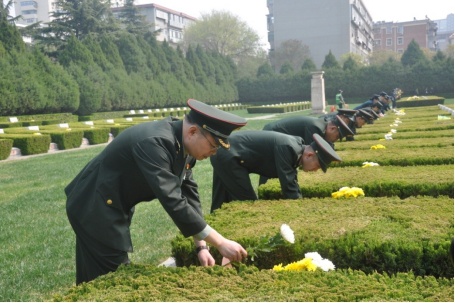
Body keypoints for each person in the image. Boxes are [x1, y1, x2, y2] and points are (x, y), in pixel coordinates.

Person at [65, 99, 249, 285]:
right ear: (193, 132)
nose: (214, 152)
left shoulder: (183, 145)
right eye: (213, 145)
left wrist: (201, 246)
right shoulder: (156, 143)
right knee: (115, 279)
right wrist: (221, 242)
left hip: (108, 205)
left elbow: (189, 196)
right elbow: (173, 201)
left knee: (94, 279)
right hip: (93, 206)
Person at [210, 132, 341, 212]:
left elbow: (292, 181)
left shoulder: (296, 149)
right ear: (309, 155)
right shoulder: (288, 147)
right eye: (318, 165)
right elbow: (289, 187)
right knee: (249, 204)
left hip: (227, 153)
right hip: (229, 155)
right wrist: (302, 211)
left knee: (219, 202)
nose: (315, 170)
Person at [263, 115, 355, 145]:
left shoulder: (322, 125)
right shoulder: (316, 128)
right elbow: (310, 149)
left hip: (277, 136)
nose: (336, 140)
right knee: (270, 168)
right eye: (337, 136)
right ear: (332, 128)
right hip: (271, 133)